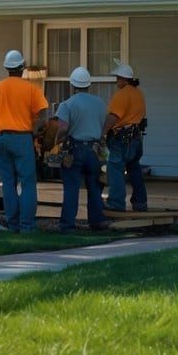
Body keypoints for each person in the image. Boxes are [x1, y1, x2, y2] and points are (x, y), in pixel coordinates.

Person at [0, 49, 48, 232]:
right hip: (22, 138)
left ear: (6, 68)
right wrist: (34, 130)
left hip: (2, 138)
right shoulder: (31, 89)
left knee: (8, 184)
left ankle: (13, 225)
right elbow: (43, 114)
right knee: (27, 183)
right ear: (22, 68)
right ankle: (27, 226)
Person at [51, 66, 111, 232]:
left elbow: (63, 128)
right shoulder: (100, 103)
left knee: (71, 187)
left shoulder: (67, 104)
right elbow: (105, 124)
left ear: (73, 84)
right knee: (95, 186)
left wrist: (57, 141)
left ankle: (67, 224)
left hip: (74, 150)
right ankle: (97, 221)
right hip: (95, 151)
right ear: (88, 84)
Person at [101, 63, 148, 212]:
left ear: (123, 79)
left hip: (121, 139)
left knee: (115, 168)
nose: (116, 81)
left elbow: (113, 116)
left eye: (117, 78)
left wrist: (102, 132)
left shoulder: (122, 95)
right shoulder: (138, 94)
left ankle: (116, 203)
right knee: (134, 169)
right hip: (136, 137)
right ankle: (140, 202)